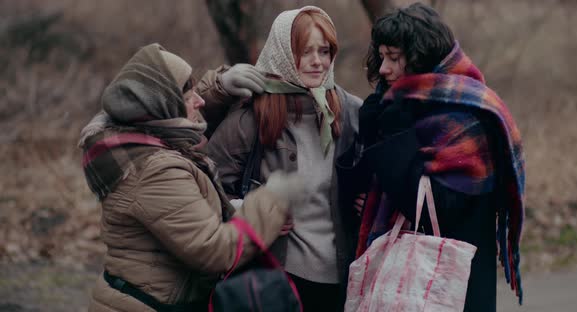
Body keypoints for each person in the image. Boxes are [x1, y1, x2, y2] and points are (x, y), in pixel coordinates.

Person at [79, 43, 306, 311]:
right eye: (188, 97)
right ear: (164, 110)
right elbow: (215, 251)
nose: (199, 101)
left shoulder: (135, 138)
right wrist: (269, 201)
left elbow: (176, 108)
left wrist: (221, 85)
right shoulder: (154, 169)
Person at [339, 3, 525, 311]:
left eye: (394, 58)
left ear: (421, 59)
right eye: (382, 56)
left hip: (451, 289)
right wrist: (370, 130)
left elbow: (436, 207)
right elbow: (354, 188)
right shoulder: (395, 105)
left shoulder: (467, 117)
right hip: (402, 279)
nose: (384, 68)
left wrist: (394, 138)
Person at [199, 6, 362, 311]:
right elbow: (205, 184)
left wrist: (369, 201)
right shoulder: (252, 115)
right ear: (285, 54)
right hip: (274, 276)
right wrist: (249, 208)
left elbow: (376, 174)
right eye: (305, 51)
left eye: (324, 51)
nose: (317, 62)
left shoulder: (352, 113)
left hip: (342, 276)